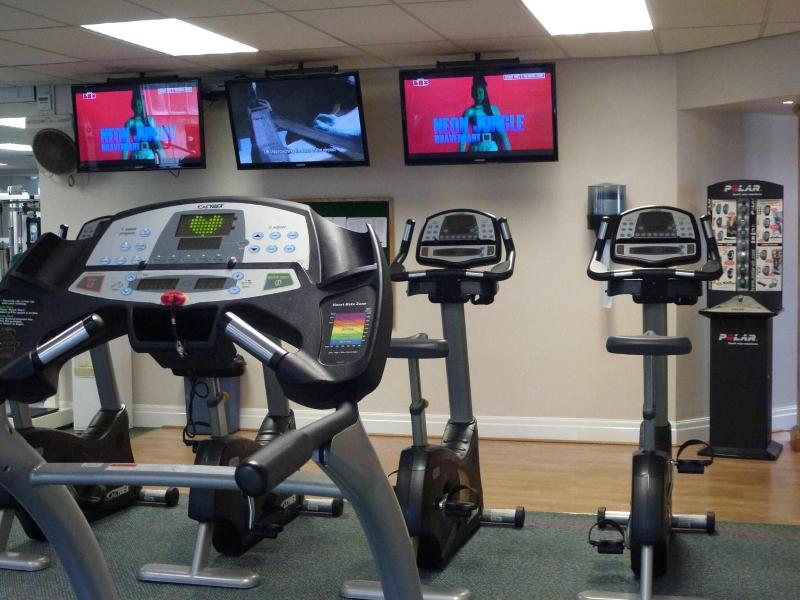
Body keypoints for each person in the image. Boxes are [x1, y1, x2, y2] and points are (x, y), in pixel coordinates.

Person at [459, 75, 511, 153]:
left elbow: (502, 134)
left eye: (480, 92)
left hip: (491, 148)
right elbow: (463, 136)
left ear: (484, 93)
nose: (478, 95)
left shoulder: (494, 109)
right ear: (472, 94)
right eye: (475, 93)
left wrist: (509, 154)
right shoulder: (469, 112)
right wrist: (461, 156)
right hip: (475, 148)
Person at [122, 88, 166, 163]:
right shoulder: (130, 122)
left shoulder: (150, 120)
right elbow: (125, 144)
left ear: (142, 106)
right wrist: (123, 163)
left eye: (139, 105)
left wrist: (164, 158)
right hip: (136, 156)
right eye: (135, 105)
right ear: (132, 106)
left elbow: (156, 140)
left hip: (149, 156)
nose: (137, 107)